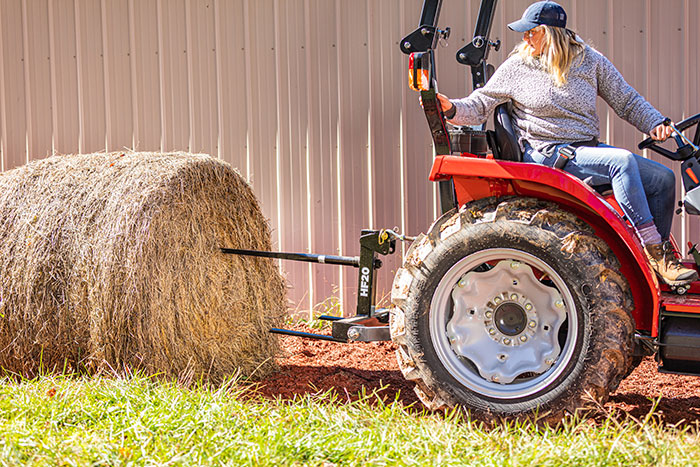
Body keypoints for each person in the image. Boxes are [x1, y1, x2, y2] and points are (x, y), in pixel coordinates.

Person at [437, 0, 697, 286]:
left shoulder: (590, 60)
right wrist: (451, 108)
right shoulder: (518, 65)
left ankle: (656, 260)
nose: (525, 38)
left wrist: (656, 123)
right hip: (546, 153)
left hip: (585, 149)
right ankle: (654, 253)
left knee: (663, 178)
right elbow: (481, 103)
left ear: (549, 33)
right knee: (620, 163)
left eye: (530, 32)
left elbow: (627, 100)